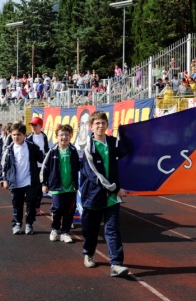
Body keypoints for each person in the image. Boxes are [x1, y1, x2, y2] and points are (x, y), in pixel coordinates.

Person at [80, 111, 129, 277]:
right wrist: (116, 189)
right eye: (97, 123)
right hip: (93, 195)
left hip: (112, 198)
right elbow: (95, 176)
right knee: (91, 230)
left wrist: (126, 132)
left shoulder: (113, 143)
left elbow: (129, 150)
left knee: (113, 230)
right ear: (91, 126)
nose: (101, 126)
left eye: (103, 123)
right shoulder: (87, 147)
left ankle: (116, 264)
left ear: (107, 125)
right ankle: (88, 252)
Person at [2, 123, 45, 235]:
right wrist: (5, 179)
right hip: (15, 181)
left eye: (19, 135)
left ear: (25, 135)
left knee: (31, 203)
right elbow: (5, 166)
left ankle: (29, 224)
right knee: (17, 204)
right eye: (14, 135)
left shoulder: (32, 147)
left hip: (30, 181)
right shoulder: (9, 149)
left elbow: (43, 159)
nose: (16, 137)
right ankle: (17, 224)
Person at [41, 124, 80, 244]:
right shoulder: (52, 151)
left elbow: (78, 167)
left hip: (71, 187)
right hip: (57, 186)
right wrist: (44, 183)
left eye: (67, 135)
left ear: (71, 136)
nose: (64, 137)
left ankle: (65, 232)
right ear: (57, 137)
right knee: (57, 209)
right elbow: (45, 168)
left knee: (69, 210)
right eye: (61, 135)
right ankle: (55, 229)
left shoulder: (73, 151)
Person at [26, 117, 49, 216]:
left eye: (35, 125)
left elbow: (46, 149)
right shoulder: (28, 138)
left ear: (41, 126)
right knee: (31, 187)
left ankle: (37, 207)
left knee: (40, 187)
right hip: (32, 166)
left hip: (41, 165)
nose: (33, 127)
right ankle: (30, 206)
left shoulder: (44, 136)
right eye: (32, 125)